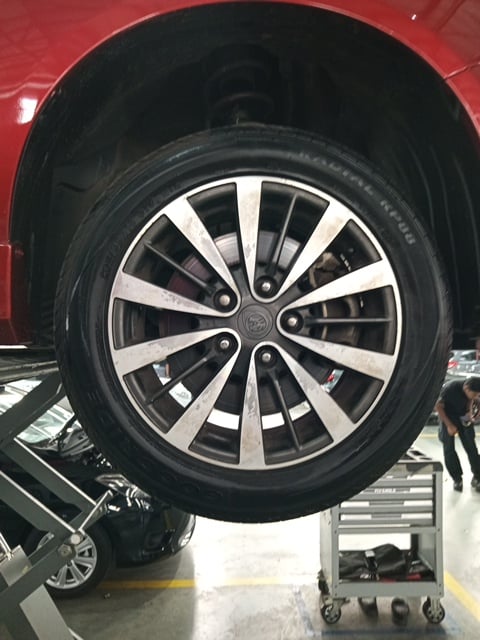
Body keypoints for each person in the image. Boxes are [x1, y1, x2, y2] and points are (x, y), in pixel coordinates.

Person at [435, 376, 480, 491]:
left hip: (463, 416)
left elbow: (472, 399)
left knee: (471, 447)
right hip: (447, 416)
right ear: (466, 388)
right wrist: (449, 425)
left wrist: (470, 413)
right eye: (475, 394)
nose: (476, 396)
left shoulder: (472, 389)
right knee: (449, 448)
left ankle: (478, 477)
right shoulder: (450, 389)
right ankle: (457, 479)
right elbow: (438, 407)